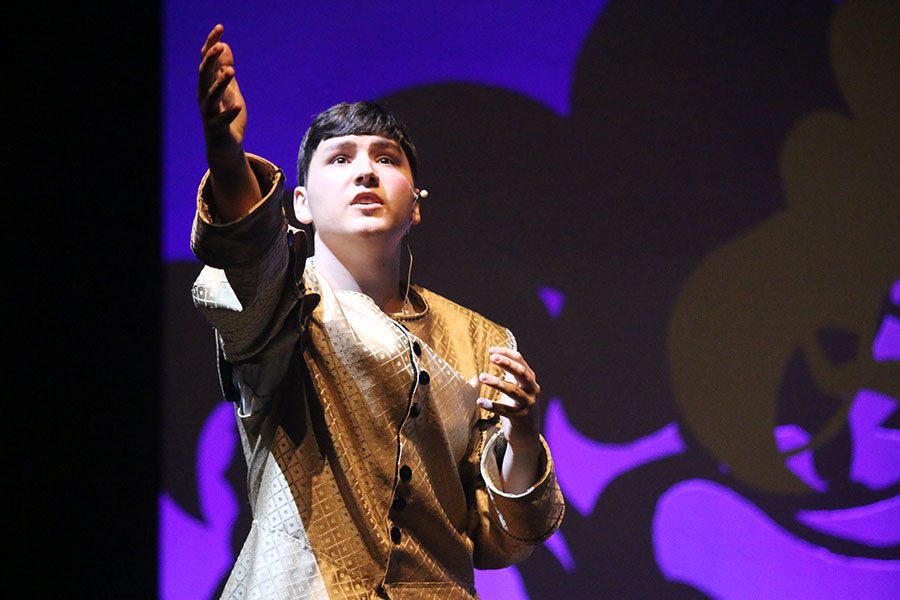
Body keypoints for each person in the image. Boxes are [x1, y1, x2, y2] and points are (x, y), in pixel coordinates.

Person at [190, 23, 565, 599]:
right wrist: (226, 152)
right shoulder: (279, 311)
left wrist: (521, 435)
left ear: (416, 204)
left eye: (386, 158)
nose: (366, 171)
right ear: (300, 204)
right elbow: (248, 258)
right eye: (339, 159)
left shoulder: (480, 338)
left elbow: (502, 537)